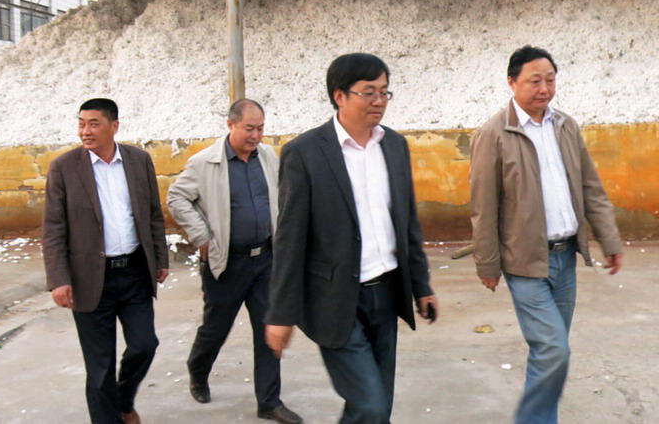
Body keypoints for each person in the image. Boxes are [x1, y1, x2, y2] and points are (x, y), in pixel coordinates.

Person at [265, 53, 439, 424]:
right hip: (334, 300)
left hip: (386, 292)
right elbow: (290, 239)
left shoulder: (394, 145)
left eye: (384, 91)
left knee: (378, 409)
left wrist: (421, 286)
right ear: (339, 96)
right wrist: (281, 314)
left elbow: (407, 222)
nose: (379, 100)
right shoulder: (305, 153)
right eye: (368, 92)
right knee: (370, 406)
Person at [469, 46, 624, 424]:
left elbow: (591, 188)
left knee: (550, 351)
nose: (544, 89)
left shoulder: (565, 126)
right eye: (534, 81)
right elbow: (483, 206)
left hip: (565, 256)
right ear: (512, 82)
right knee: (554, 349)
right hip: (524, 260)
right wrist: (487, 263)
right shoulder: (493, 134)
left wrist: (609, 240)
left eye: (550, 80)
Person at [167, 99, 302, 424]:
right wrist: (202, 236)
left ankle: (269, 402)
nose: (255, 135)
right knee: (215, 329)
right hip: (226, 264)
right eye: (249, 128)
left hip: (265, 261)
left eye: (260, 128)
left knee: (268, 329)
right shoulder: (205, 163)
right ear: (230, 125)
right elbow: (176, 197)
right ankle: (198, 370)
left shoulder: (267, 156)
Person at [43, 98, 169, 424]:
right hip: (89, 278)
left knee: (144, 344)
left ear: (114, 126)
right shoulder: (64, 167)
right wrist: (58, 279)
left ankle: (123, 401)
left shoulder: (138, 160)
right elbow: (53, 228)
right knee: (100, 368)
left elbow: (153, 214)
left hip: (134, 272)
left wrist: (160, 257)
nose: (85, 131)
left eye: (94, 124)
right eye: (81, 123)